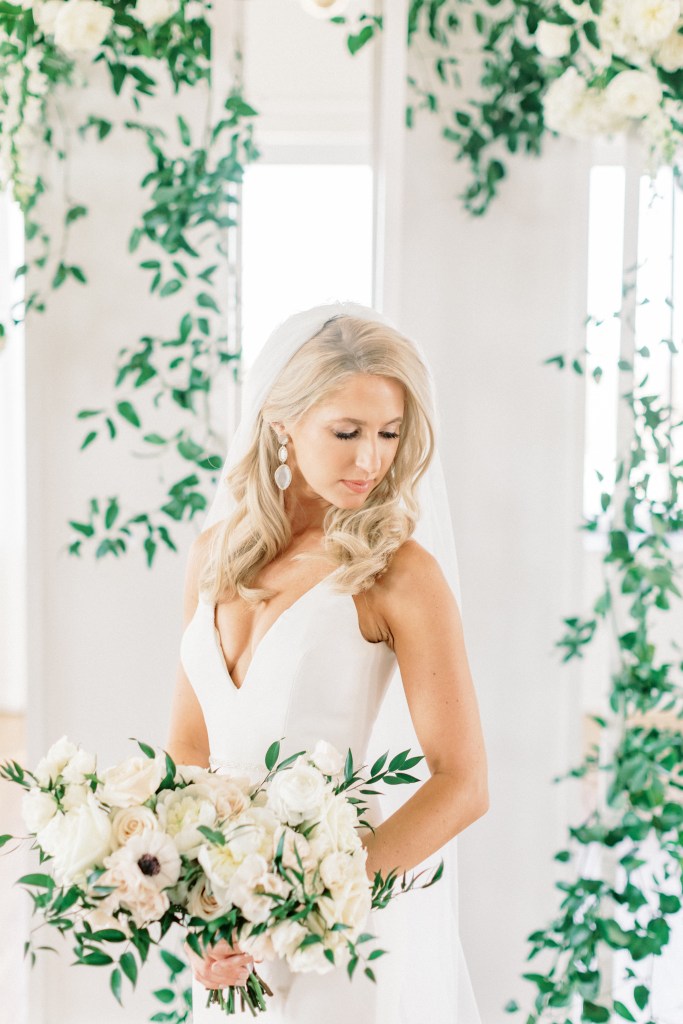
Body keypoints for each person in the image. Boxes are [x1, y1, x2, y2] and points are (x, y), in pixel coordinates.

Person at [166, 301, 488, 1022]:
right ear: (282, 422)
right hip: (231, 931)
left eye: (387, 433)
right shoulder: (212, 555)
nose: (370, 459)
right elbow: (190, 749)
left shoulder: (399, 573)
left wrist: (313, 895)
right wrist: (198, 904)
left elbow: (462, 782)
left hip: (339, 935)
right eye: (345, 432)